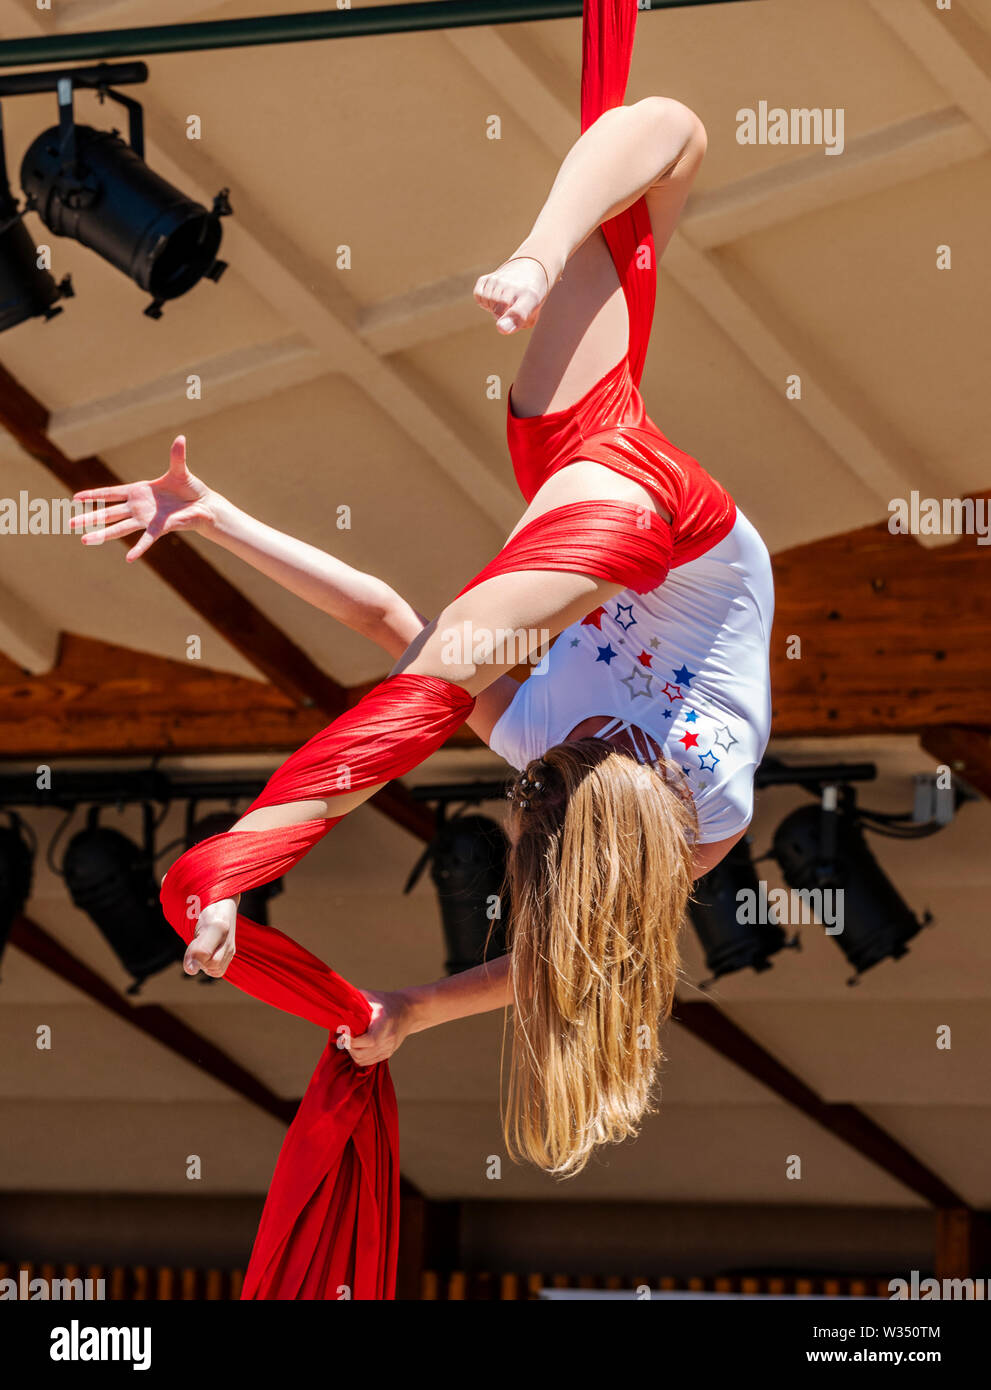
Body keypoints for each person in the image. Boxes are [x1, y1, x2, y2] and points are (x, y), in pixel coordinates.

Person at [71, 0, 773, 1294]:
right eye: (575, 749)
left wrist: (219, 521)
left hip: (573, 461)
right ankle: (535, 247)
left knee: (659, 150)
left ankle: (236, 868)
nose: (565, 732)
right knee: (667, 134)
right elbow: (578, 944)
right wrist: (233, 886)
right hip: (664, 522)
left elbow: (390, 623)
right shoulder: (704, 807)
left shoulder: (548, 739)